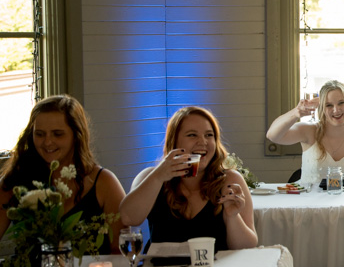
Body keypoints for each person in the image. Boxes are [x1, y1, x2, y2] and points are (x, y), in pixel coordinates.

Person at [0, 95, 126, 255]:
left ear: (76, 135)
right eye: (40, 134)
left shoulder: (103, 182)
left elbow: (121, 251)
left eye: (57, 134)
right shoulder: (15, 180)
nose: (47, 142)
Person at [119, 106, 257, 252]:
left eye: (209, 135)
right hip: (162, 266)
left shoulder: (230, 180)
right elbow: (128, 218)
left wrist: (232, 217)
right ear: (174, 141)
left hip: (216, 266)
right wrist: (158, 177)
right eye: (192, 135)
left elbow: (247, 247)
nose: (203, 141)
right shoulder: (150, 177)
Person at [266, 80, 344, 185]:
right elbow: (272, 135)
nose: (336, 110)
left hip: (342, 196)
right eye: (329, 105)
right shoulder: (309, 131)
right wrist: (296, 113)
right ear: (322, 109)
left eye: (341, 103)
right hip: (306, 195)